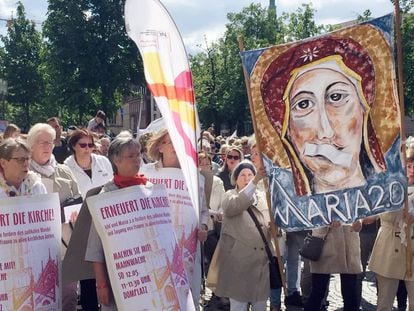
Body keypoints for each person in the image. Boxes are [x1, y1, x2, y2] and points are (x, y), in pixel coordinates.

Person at [260, 36, 388, 196]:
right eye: (303, 104)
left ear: (363, 110)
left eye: (336, 97)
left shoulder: (393, 201)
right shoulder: (292, 216)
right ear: (287, 130)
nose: (325, 132)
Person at [143, 129, 209, 309]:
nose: (177, 147)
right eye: (172, 142)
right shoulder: (145, 174)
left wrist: (203, 226)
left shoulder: (195, 178)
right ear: (160, 146)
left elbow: (203, 211)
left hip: (186, 251)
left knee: (186, 299)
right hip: (154, 250)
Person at [85, 135, 147, 310]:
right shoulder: (106, 195)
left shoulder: (149, 189)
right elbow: (95, 247)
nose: (137, 160)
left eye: (139, 154)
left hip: (148, 275)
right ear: (116, 160)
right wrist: (101, 285)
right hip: (118, 279)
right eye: (131, 156)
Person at [27, 123, 81, 311]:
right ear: (31, 145)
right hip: (34, 249)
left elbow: (78, 200)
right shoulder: (23, 174)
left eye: (50, 142)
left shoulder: (65, 171)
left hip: (64, 246)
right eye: (42, 142)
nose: (47, 147)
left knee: (68, 296)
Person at [207, 161, 272, 311]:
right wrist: (255, 181)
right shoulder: (230, 196)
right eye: (242, 175)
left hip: (261, 263)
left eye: (250, 174)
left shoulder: (262, 197)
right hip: (239, 263)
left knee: (260, 305)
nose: (247, 178)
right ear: (235, 178)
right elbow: (234, 206)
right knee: (239, 306)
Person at [64, 128, 113, 311]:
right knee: (87, 274)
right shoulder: (67, 167)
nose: (87, 149)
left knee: (106, 268)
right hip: (82, 225)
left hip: (106, 221)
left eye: (91, 145)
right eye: (82, 145)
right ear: (73, 146)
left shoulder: (103, 162)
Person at [368, 145, 414, 311]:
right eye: (409, 166)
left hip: (412, 248)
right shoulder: (388, 187)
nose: (412, 170)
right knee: (384, 302)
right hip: (388, 246)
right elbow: (372, 213)